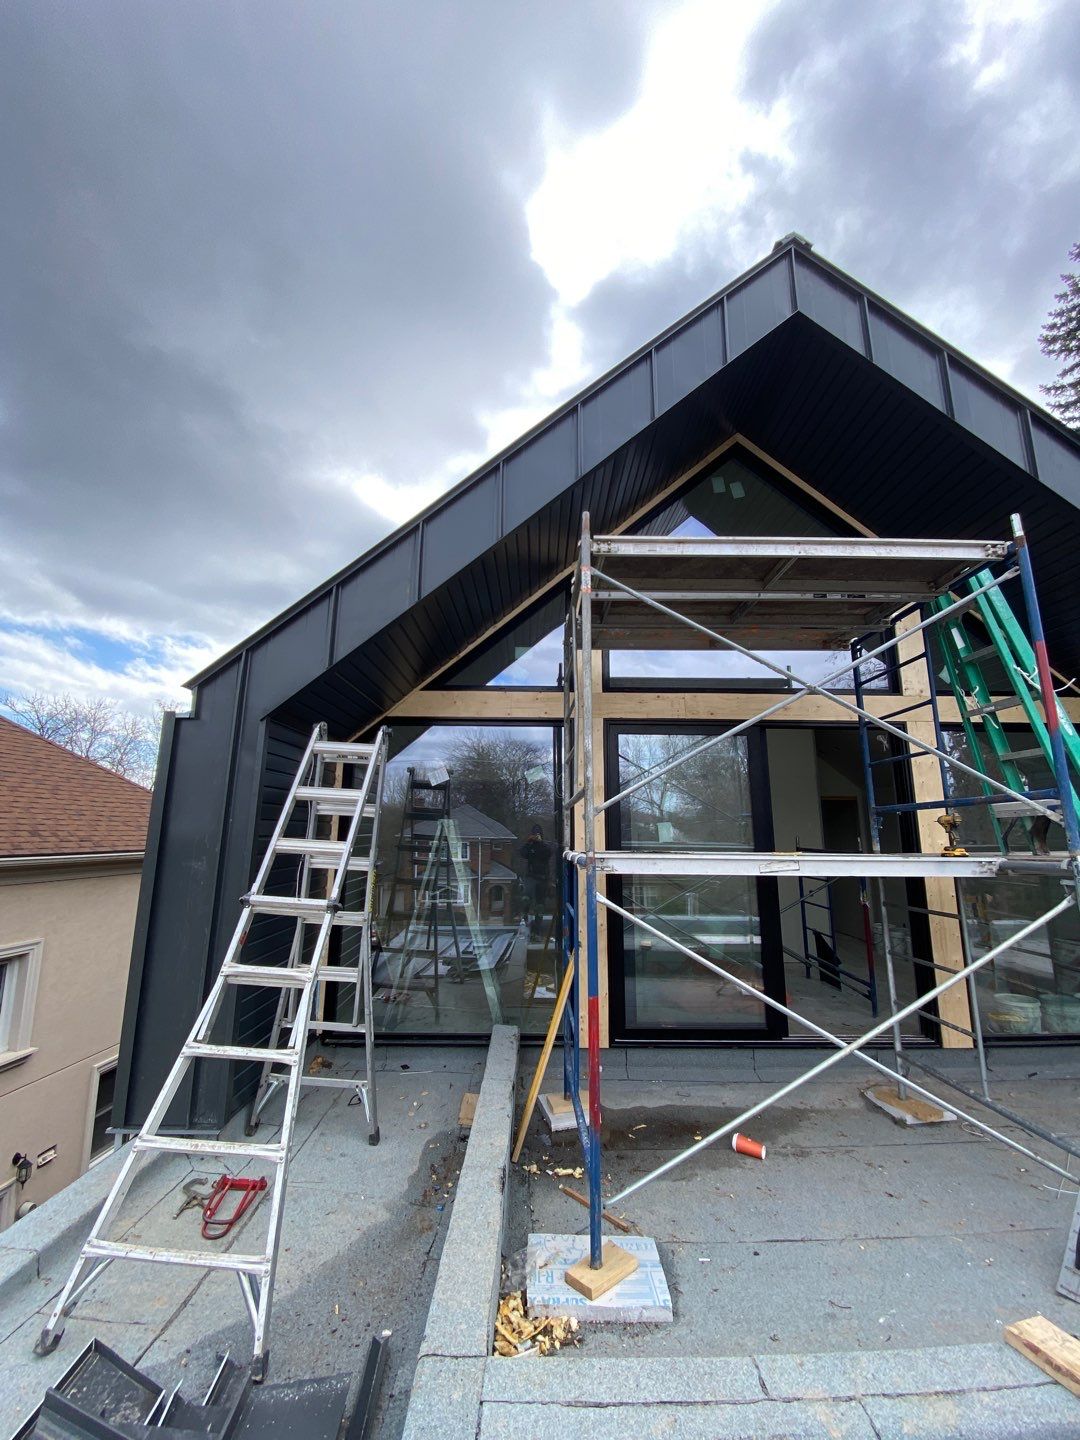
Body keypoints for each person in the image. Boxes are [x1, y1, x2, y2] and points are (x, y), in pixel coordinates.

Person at [518, 824, 552, 939]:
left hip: (542, 878)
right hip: (530, 876)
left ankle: (537, 930)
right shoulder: (530, 846)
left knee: (540, 906)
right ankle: (524, 916)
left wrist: (540, 842)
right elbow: (522, 853)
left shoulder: (545, 846)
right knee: (526, 897)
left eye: (538, 834)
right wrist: (528, 842)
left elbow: (548, 853)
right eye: (534, 834)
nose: (536, 836)